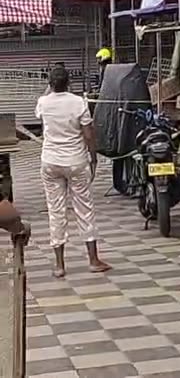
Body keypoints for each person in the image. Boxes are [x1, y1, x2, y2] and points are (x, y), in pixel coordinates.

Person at [36, 65, 110, 277]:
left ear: (50, 84)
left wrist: (49, 89)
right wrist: (93, 158)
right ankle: (93, 260)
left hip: (50, 161)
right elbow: (88, 134)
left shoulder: (43, 102)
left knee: (55, 210)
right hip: (76, 161)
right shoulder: (78, 102)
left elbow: (42, 111)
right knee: (84, 208)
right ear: (69, 83)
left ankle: (59, 265)